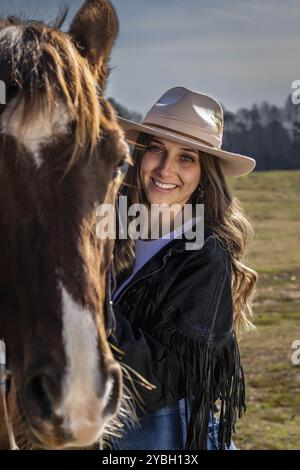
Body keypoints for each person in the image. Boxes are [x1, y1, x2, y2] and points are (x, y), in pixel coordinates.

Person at [105, 86, 257, 450]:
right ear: (140, 153)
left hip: (164, 438)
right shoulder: (111, 224)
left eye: (186, 158)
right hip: (99, 427)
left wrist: (89, 307)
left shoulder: (205, 254)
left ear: (205, 173)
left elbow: (160, 379)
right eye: (156, 148)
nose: (165, 169)